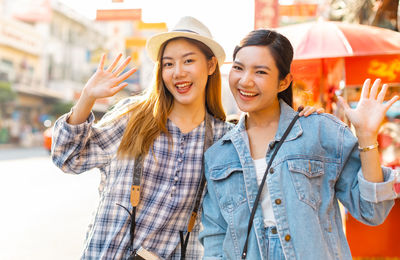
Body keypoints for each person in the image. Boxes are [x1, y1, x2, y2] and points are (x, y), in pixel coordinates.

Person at [51, 17, 320, 259]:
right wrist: (87, 98)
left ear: (211, 65)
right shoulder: (134, 118)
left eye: (188, 60)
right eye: (168, 64)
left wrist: (304, 119)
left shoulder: (224, 138)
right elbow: (68, 158)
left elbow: (251, 200)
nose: (177, 72)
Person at [199, 29, 399, 260]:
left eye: (260, 71)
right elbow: (215, 239)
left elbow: (372, 211)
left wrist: (366, 135)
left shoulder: (320, 131)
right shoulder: (218, 154)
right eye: (238, 67)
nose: (245, 80)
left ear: (284, 82)